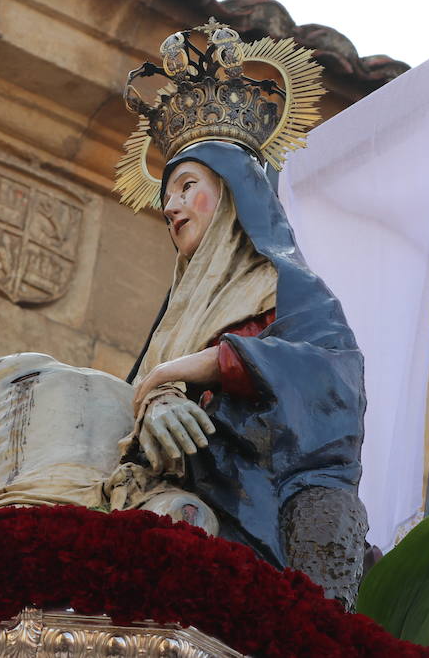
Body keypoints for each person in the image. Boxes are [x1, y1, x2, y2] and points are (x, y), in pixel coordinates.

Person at [121, 139, 369, 607]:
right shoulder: (177, 317)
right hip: (177, 499)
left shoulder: (291, 291)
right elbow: (126, 420)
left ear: (232, 194)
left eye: (186, 187)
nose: (171, 207)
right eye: (166, 197)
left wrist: (212, 364)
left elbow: (336, 380)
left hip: (268, 503)